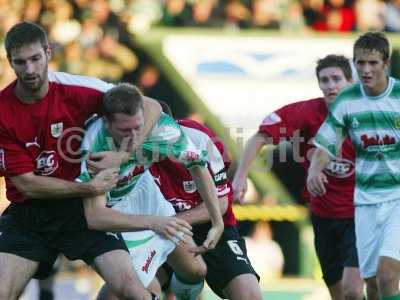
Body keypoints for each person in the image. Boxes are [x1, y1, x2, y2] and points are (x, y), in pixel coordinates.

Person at [0, 21, 163, 300]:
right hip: (30, 215)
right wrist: (89, 188)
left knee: (133, 291)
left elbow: (150, 105)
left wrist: (124, 154)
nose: (29, 69)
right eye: (20, 62)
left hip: (83, 214)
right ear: (10, 63)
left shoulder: (78, 90)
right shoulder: (3, 111)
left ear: (48, 53)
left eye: (35, 59)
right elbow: (27, 184)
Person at [233, 54, 366, 300]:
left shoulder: (368, 116)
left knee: (353, 290)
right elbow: (260, 136)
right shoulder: (306, 112)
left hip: (360, 215)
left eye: (336, 79)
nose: (330, 85)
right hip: (323, 215)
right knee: (338, 292)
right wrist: (240, 177)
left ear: (350, 82)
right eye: (324, 80)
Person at [78, 83, 224, 300]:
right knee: (140, 292)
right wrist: (154, 222)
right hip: (112, 212)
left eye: (138, 127)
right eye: (125, 130)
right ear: (107, 123)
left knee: (195, 270)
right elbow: (95, 217)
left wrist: (217, 221)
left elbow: (198, 166)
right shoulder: (94, 148)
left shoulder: (160, 127)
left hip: (143, 191)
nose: (135, 136)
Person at [311, 32, 400, 300]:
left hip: (397, 199)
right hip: (364, 203)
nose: (365, 69)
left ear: (386, 63)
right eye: (360, 63)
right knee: (371, 285)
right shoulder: (347, 100)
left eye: (372, 63)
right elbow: (326, 145)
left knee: (387, 275)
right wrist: (315, 169)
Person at [150, 118, 262, 300]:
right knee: (128, 288)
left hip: (208, 223)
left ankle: (184, 287)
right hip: (156, 227)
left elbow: (222, 203)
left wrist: (174, 221)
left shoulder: (201, 139)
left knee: (249, 294)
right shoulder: (129, 143)